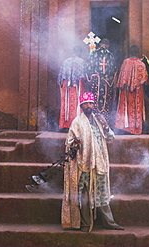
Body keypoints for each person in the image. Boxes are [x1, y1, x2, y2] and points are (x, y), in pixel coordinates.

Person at [61, 91, 124, 233]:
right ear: (82, 106)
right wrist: (75, 143)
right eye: (85, 104)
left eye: (91, 103)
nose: (89, 106)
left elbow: (110, 138)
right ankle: (85, 223)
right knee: (84, 195)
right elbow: (69, 143)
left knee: (103, 193)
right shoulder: (77, 122)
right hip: (84, 164)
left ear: (93, 105)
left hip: (100, 164)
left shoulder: (98, 121)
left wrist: (106, 125)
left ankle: (110, 222)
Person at [114, 45, 149, 135]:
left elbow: (121, 77)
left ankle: (123, 128)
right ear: (138, 52)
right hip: (137, 92)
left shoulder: (125, 62)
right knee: (136, 108)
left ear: (130, 52)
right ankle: (136, 127)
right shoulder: (141, 64)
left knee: (125, 107)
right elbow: (144, 79)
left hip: (125, 92)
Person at [86, 38, 117, 126]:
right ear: (108, 46)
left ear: (100, 44)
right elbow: (114, 69)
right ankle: (105, 122)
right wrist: (110, 78)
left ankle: (94, 122)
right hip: (106, 82)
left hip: (96, 81)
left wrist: (91, 77)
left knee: (95, 99)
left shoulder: (94, 53)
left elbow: (88, 66)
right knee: (106, 100)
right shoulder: (110, 55)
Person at [57, 46, 86, 130]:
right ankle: (78, 125)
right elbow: (84, 77)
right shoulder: (81, 62)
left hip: (66, 88)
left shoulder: (65, 62)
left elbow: (60, 79)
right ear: (79, 52)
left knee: (66, 105)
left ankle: (65, 124)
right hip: (77, 87)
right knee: (77, 104)